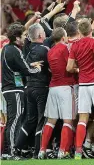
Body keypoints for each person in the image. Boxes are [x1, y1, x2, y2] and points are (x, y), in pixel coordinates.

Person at [66, 18, 94, 160]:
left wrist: (79, 69)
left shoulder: (75, 46)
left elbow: (69, 67)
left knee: (82, 119)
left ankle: (78, 151)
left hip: (83, 84)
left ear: (79, 31)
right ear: (91, 30)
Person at [1, 23, 41, 159]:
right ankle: (11, 152)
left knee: (13, 120)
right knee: (15, 120)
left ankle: (7, 152)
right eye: (24, 36)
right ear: (17, 37)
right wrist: (37, 69)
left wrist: (30, 65)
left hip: (8, 88)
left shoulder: (7, 49)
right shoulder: (15, 50)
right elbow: (26, 71)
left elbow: (18, 66)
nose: (25, 38)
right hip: (14, 89)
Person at [38, 27, 77, 159]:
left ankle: (42, 150)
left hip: (53, 88)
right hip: (65, 87)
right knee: (68, 121)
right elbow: (69, 67)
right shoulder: (65, 48)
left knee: (50, 121)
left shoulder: (50, 52)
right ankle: (62, 151)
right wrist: (78, 69)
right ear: (63, 37)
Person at [15, 23, 50, 158]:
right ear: (41, 35)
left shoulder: (25, 49)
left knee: (30, 120)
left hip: (28, 88)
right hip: (41, 88)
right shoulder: (44, 50)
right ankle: (37, 152)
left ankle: (17, 147)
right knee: (41, 120)